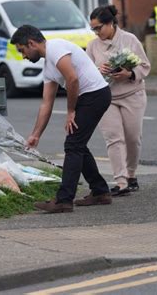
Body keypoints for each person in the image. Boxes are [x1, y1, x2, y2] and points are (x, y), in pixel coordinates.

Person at [10, 25, 112, 213]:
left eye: (22, 50)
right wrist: (36, 134)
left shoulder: (55, 47)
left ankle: (64, 200)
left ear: (31, 43)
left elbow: (72, 79)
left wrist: (71, 111)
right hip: (89, 96)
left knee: (73, 145)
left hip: (95, 95)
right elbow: (46, 104)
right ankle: (100, 191)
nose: (22, 56)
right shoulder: (48, 66)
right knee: (77, 143)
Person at [87, 5, 151, 196]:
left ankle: (131, 175)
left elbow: (145, 66)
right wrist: (99, 71)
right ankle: (121, 181)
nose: (97, 33)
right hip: (106, 98)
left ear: (111, 23)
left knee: (133, 138)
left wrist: (129, 73)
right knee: (114, 139)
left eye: (99, 28)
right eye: (93, 29)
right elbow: (87, 72)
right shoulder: (92, 46)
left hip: (132, 95)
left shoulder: (130, 40)